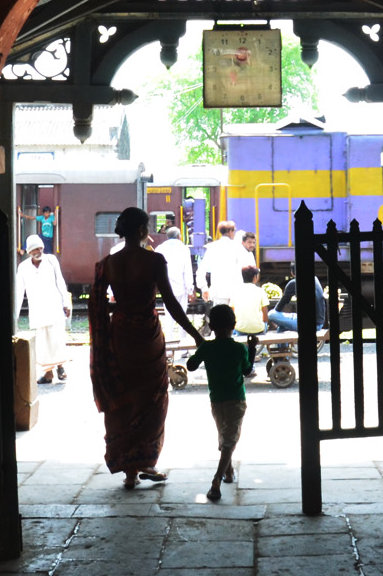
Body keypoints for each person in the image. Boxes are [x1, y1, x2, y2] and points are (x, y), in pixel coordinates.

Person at [90, 207, 203, 489]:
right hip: (147, 338)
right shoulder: (154, 260)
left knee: (124, 397)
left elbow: (97, 305)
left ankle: (129, 470)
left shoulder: (108, 263)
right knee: (152, 398)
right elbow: (171, 304)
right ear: (142, 230)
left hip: (120, 336)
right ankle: (146, 461)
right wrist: (195, 335)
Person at [187, 304, 258, 501]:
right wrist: (252, 348)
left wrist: (201, 349)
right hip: (236, 399)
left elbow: (191, 366)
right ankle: (216, 480)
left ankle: (228, 472)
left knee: (224, 437)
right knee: (229, 440)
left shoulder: (207, 348)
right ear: (234, 325)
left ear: (211, 326)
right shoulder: (239, 349)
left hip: (216, 400)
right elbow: (247, 370)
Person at [14, 234, 71, 384]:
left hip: (54, 308)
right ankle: (48, 374)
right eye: (34, 249)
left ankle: (60, 368)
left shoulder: (51, 260)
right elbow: (19, 291)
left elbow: (60, 281)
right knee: (43, 344)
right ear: (29, 252)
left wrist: (66, 303)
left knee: (57, 339)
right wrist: (15, 315)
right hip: (38, 311)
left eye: (40, 248)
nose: (38, 252)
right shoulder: (23, 267)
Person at [268, 265, 326, 333]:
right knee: (281, 328)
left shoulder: (293, 283)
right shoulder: (315, 279)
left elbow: (279, 307)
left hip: (307, 324)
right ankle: (283, 332)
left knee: (271, 314)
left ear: (292, 273)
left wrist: (277, 321)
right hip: (319, 323)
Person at [199, 220, 243, 308]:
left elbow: (201, 270)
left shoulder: (212, 247)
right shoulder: (237, 247)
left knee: (220, 315)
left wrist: (204, 288)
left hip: (217, 292)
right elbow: (242, 269)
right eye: (234, 231)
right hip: (234, 291)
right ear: (230, 231)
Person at [156, 227, 196, 309]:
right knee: (181, 312)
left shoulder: (160, 248)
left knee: (168, 313)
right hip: (181, 289)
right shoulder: (184, 248)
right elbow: (187, 271)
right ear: (178, 236)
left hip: (166, 288)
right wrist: (190, 290)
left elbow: (156, 270)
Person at [231, 266, 270, 337]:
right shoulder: (260, 291)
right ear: (255, 277)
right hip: (258, 329)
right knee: (265, 325)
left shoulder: (236, 291)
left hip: (240, 329)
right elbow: (265, 313)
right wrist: (265, 324)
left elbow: (232, 312)